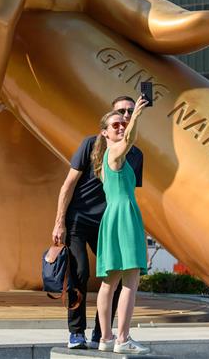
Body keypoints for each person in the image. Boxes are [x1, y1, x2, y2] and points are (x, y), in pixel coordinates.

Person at [51, 96, 143, 349]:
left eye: (130, 112)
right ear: (107, 124)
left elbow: (127, 189)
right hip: (80, 218)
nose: (125, 117)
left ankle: (103, 333)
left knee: (114, 277)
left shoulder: (136, 154)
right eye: (121, 112)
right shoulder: (91, 144)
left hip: (109, 220)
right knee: (80, 273)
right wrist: (60, 221)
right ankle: (76, 332)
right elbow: (68, 185)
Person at [94, 97, 150, 354]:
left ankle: (106, 338)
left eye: (122, 123)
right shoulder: (115, 153)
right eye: (115, 124)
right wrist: (135, 114)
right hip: (124, 216)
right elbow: (130, 139)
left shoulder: (108, 157)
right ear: (105, 132)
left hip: (114, 217)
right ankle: (123, 339)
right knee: (130, 280)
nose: (120, 126)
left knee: (111, 281)